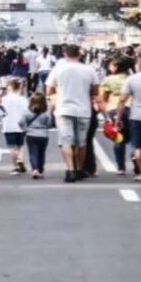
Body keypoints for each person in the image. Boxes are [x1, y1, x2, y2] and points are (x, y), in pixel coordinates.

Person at [45, 45, 99, 184]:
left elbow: (49, 90)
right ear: (80, 54)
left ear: (64, 54)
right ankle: (80, 169)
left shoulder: (58, 69)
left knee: (66, 140)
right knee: (81, 142)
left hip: (63, 109)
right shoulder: (89, 70)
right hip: (83, 109)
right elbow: (95, 91)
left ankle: (70, 169)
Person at [100, 59, 131, 175]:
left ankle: (121, 167)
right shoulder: (131, 79)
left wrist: (106, 115)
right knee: (135, 139)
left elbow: (102, 98)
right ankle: (138, 163)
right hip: (132, 108)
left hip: (114, 108)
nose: (109, 67)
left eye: (111, 65)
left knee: (119, 139)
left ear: (116, 67)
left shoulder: (108, 80)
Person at [1, 78, 29, 175]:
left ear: (10, 87)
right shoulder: (22, 99)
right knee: (21, 144)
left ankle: (15, 166)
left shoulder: (3, 99)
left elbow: (0, 112)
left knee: (12, 147)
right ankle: (20, 159)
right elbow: (27, 112)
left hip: (8, 125)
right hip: (21, 125)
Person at [22, 93, 52, 179]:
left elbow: (21, 122)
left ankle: (34, 169)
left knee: (33, 153)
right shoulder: (46, 112)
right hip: (43, 135)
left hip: (31, 134)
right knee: (41, 153)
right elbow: (49, 124)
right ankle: (40, 169)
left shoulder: (27, 112)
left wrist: (25, 128)